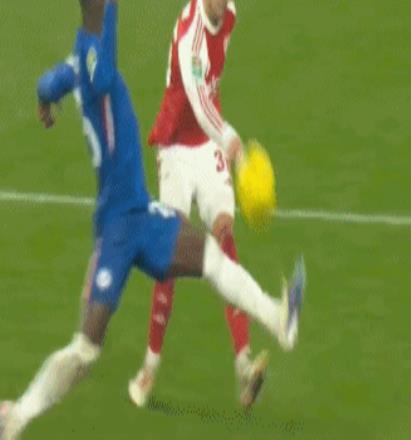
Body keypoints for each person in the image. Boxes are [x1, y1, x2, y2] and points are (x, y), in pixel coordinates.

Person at [0, 1, 305, 439]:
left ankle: (278, 319)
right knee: (85, 349)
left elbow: (49, 82)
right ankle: (16, 417)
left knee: (213, 259)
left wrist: (45, 99)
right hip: (116, 230)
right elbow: (101, 46)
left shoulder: (78, 62)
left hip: (142, 213)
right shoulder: (99, 67)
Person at [128, 0, 267, 410]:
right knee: (169, 254)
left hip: (207, 146)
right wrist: (230, 138)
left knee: (225, 234)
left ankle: (244, 364)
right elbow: (199, 102)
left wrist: (219, 140)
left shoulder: (231, 16)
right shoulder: (190, 34)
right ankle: (149, 367)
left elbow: (212, 92)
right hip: (175, 146)